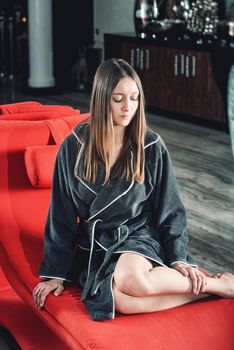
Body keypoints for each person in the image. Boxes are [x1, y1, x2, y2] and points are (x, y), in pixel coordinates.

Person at [33, 58, 234, 321]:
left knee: (132, 281)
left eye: (134, 98)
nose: (128, 107)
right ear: (102, 99)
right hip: (94, 247)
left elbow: (170, 210)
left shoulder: (150, 146)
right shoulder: (73, 147)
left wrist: (179, 259)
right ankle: (211, 289)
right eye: (118, 99)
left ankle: (212, 282)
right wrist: (56, 273)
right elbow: (60, 215)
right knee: (119, 300)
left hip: (138, 237)